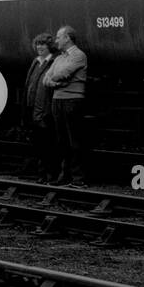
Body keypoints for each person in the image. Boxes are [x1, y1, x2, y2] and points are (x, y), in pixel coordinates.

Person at [43, 24, 88, 187]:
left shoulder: (79, 55)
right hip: (58, 100)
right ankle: (65, 175)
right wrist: (57, 82)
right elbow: (46, 79)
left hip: (72, 101)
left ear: (67, 38)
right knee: (61, 140)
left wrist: (55, 80)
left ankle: (78, 178)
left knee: (74, 140)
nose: (56, 40)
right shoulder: (59, 58)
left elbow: (63, 74)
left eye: (58, 37)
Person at [22, 32, 57, 182]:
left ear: (50, 46)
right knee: (38, 143)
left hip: (45, 109)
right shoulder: (36, 62)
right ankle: (41, 173)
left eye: (43, 44)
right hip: (33, 107)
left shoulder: (54, 62)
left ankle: (50, 173)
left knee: (48, 142)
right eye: (37, 44)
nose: (39, 47)